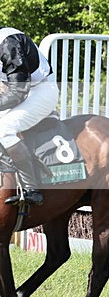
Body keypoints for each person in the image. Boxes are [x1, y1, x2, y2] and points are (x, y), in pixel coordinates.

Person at [0, 27, 59, 205]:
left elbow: (19, 91)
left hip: (40, 91)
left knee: (4, 130)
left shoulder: (8, 43)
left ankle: (31, 188)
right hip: (19, 91)